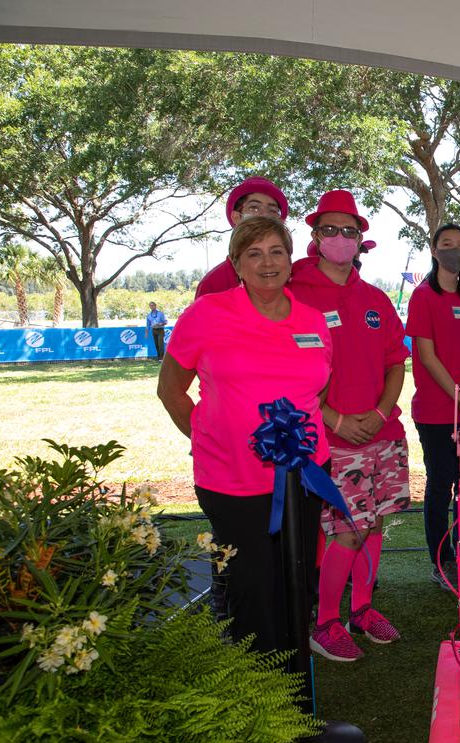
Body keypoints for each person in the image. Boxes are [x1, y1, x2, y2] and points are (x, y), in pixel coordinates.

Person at [157, 216, 331, 658]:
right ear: (236, 264)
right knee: (252, 588)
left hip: (305, 478)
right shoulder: (206, 314)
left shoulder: (314, 322)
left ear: (291, 261)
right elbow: (170, 390)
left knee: (298, 582)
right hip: (232, 480)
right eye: (253, 253)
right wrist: (206, 437)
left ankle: (297, 685)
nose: (267, 262)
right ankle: (262, 697)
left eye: (276, 252)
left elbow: (318, 390)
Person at [288, 190, 409, 663]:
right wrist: (334, 418)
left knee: (374, 524)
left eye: (350, 231)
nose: (341, 239)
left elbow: (396, 362)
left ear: (362, 241)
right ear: (315, 237)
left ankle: (362, 609)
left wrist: (380, 413)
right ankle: (325, 622)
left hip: (384, 433)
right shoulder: (297, 294)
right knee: (347, 532)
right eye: (331, 230)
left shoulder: (375, 298)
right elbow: (292, 369)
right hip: (333, 439)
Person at [405, 222, 460, 587]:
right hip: (438, 412)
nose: (456, 249)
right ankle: (443, 561)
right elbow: (425, 354)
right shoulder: (423, 296)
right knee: (441, 485)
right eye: (447, 243)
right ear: (434, 250)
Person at [194, 176, 289, 299]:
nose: (264, 215)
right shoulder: (213, 284)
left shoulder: (290, 277)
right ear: (236, 217)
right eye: (254, 208)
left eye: (272, 211)